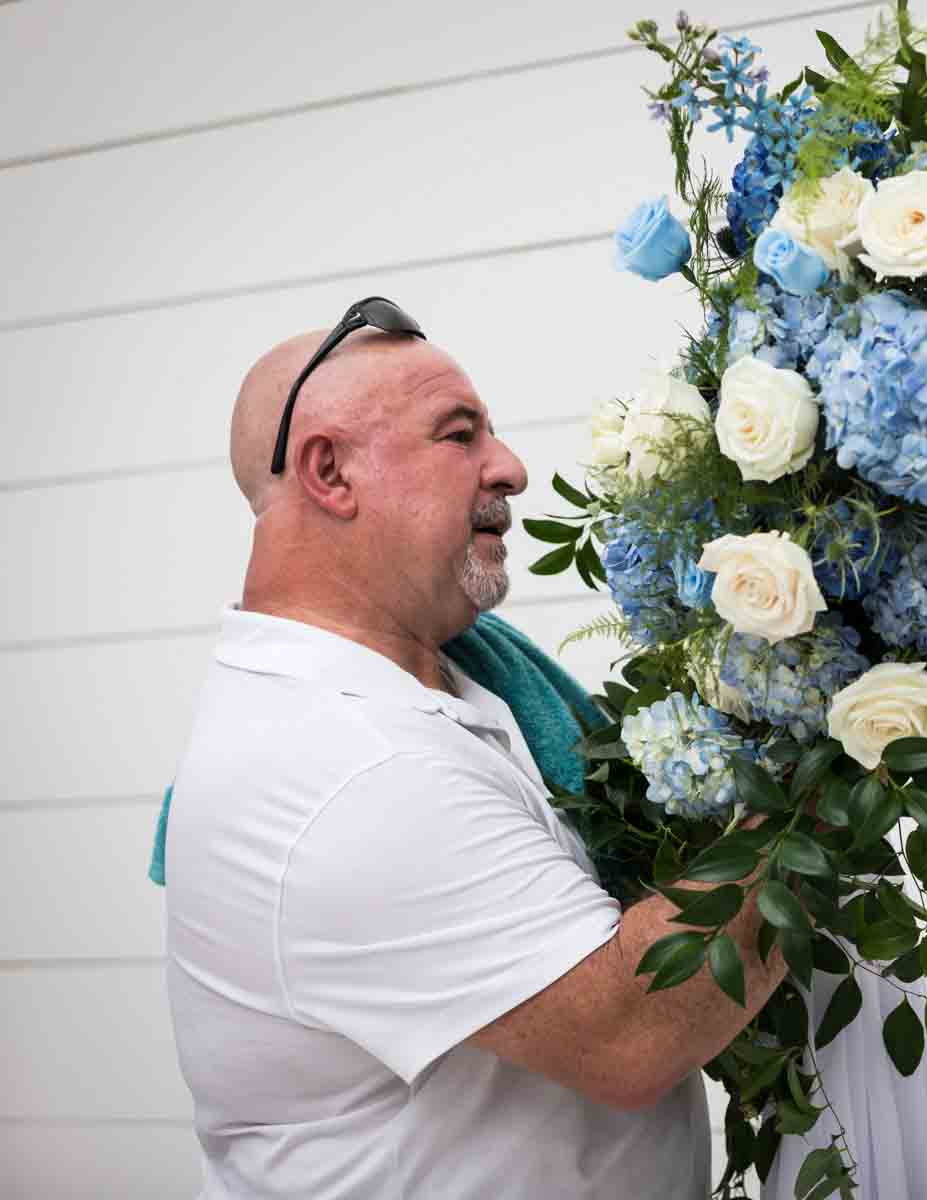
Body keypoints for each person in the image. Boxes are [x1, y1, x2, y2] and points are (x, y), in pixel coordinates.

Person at [163, 300, 788, 1197]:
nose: (513, 468)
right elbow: (632, 1029)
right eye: (461, 435)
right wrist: (830, 761)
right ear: (329, 472)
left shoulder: (451, 688)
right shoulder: (343, 765)